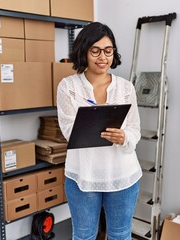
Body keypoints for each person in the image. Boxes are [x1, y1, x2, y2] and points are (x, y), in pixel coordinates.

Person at [56, 22, 142, 240]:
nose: (102, 57)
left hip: (123, 174)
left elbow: (134, 129)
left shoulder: (125, 88)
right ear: (83, 51)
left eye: (108, 50)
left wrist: (124, 137)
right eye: (95, 50)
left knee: (120, 235)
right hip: (82, 175)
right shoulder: (68, 87)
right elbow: (68, 130)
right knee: (84, 235)